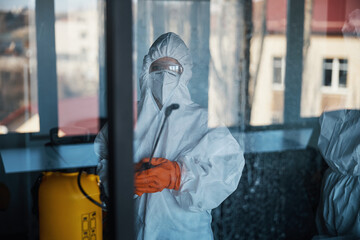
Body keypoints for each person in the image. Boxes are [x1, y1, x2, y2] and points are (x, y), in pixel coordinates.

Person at [94, 32, 245, 240]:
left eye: (173, 69)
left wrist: (178, 176)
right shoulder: (124, 121)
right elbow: (101, 166)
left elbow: (227, 172)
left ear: (185, 74)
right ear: (147, 71)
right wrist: (121, 181)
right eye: (158, 68)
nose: (164, 76)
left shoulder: (203, 121)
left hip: (187, 233)